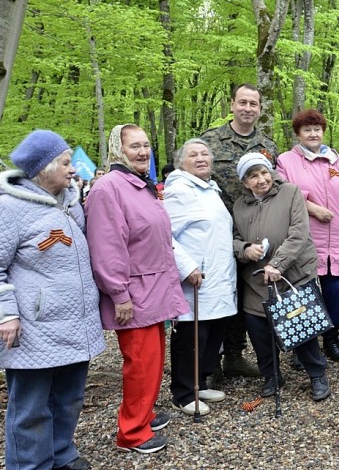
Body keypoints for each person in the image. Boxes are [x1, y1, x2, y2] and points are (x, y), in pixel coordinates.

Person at [0, 130, 105, 470]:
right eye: (64, 162)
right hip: (33, 330)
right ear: (43, 169)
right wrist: (5, 314)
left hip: (77, 324)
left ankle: (61, 455)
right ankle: (29, 465)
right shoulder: (10, 207)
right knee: (30, 408)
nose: (73, 168)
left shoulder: (72, 202)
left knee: (69, 398)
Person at [86, 124, 189, 453]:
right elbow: (107, 248)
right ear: (119, 150)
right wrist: (119, 294)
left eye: (146, 145)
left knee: (154, 361)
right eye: (135, 146)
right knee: (141, 364)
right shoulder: (109, 188)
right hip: (134, 293)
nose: (143, 151)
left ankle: (143, 414)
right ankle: (131, 433)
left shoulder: (139, 185)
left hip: (154, 288)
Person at [233, 153, 331, 401]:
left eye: (264, 173)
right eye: (253, 176)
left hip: (292, 274)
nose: (261, 180)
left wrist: (278, 263)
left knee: (300, 326)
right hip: (256, 279)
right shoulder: (239, 206)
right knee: (259, 330)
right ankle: (271, 375)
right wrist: (244, 248)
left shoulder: (290, 193)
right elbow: (232, 237)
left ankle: (317, 374)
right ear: (245, 182)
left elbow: (299, 233)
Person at [201, 83, 277, 380]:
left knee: (247, 294)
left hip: (255, 231)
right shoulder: (210, 140)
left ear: (260, 109)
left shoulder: (267, 145)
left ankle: (235, 355)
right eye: (242, 102)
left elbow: (275, 185)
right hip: (218, 234)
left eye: (253, 104)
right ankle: (210, 362)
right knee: (217, 294)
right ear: (232, 105)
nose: (247, 108)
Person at [276, 109, 339, 363]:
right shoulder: (286, 161)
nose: (313, 134)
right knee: (305, 294)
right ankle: (304, 350)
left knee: (337, 292)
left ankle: (331, 340)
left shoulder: (337, 160)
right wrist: (312, 208)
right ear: (298, 134)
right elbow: (282, 193)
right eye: (307, 129)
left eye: (317, 129)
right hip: (307, 239)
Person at [163, 139, 237, 415]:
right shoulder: (179, 191)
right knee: (192, 335)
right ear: (182, 162)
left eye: (205, 153)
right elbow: (165, 236)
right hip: (196, 277)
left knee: (212, 331)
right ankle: (183, 392)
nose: (201, 158)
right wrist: (187, 267)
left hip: (217, 276)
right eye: (193, 155)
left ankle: (200, 382)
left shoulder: (209, 189)